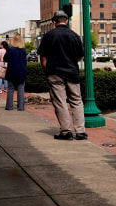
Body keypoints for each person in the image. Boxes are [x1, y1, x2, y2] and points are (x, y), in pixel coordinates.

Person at [36, 10, 88, 141]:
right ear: (66, 21)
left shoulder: (48, 36)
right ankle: (80, 131)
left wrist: (46, 71)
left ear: (54, 22)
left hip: (54, 73)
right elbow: (81, 56)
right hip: (72, 73)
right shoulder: (74, 35)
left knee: (60, 102)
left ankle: (66, 132)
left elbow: (43, 57)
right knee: (77, 101)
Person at [3, 33, 27, 111]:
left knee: (10, 89)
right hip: (22, 72)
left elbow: (5, 59)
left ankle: (9, 106)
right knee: (21, 89)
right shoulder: (23, 50)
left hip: (12, 71)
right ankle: (21, 106)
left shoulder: (10, 49)